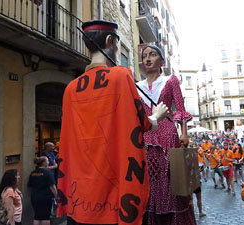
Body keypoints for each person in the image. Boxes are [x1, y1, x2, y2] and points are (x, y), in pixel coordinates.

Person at [57, 20, 169, 225]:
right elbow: (137, 123)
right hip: (112, 201)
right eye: (117, 43)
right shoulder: (121, 76)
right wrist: (156, 117)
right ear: (111, 41)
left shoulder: (70, 88)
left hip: (79, 200)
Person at [137, 45, 196, 225]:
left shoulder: (171, 81)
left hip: (168, 134)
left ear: (162, 61)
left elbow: (180, 109)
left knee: (171, 176)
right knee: (149, 176)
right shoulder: (136, 86)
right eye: (145, 55)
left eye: (152, 55)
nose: (147, 58)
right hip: (147, 134)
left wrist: (184, 133)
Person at [28, 156, 57, 225]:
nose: (48, 162)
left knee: (37, 216)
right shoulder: (48, 173)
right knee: (45, 217)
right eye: (47, 161)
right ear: (44, 163)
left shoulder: (33, 173)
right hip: (45, 197)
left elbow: (30, 185)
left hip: (34, 197)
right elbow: (52, 186)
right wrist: (56, 196)